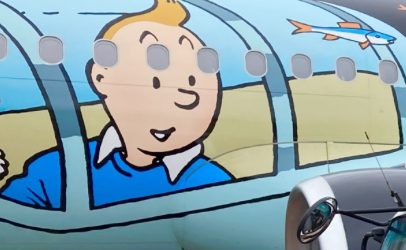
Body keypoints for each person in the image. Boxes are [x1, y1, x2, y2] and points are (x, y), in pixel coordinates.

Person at [0, 0, 232, 210]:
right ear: (100, 77)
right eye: (156, 81)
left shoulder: (217, 183)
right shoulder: (57, 168)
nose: (184, 96)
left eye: (192, 81)